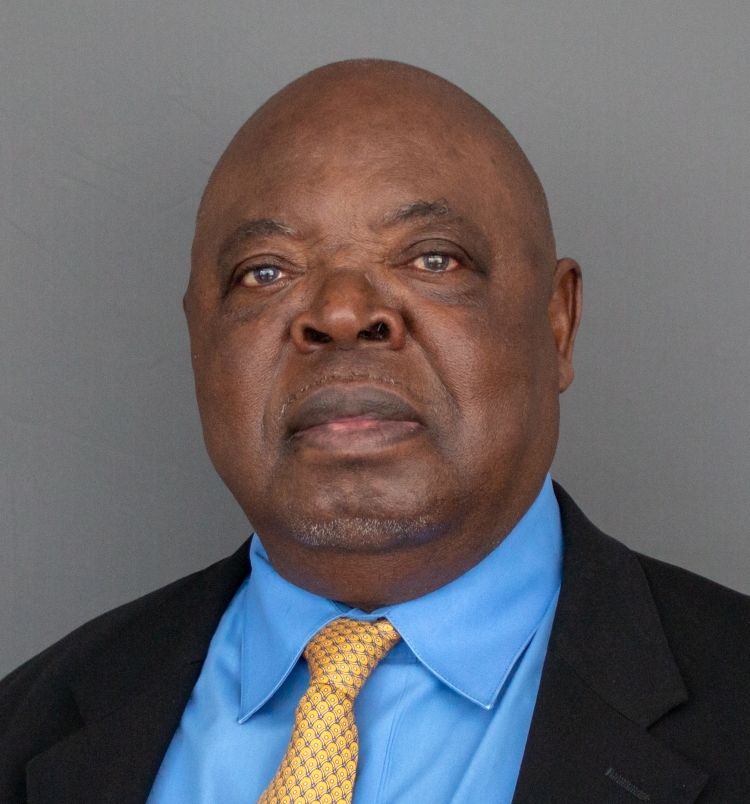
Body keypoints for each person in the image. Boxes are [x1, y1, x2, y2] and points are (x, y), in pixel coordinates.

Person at [1, 60, 748, 804]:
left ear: (558, 324)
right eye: (265, 272)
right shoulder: (27, 726)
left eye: (433, 258)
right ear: (199, 338)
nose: (342, 312)